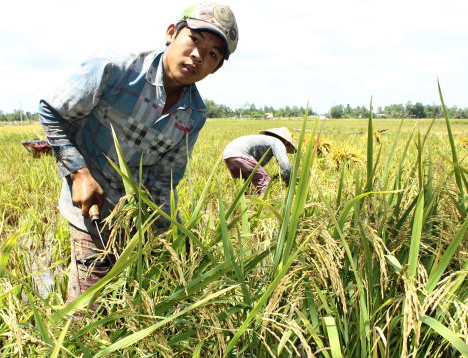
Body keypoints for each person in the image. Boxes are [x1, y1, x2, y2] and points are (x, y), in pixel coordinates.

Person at [38, 2, 239, 303]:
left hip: (131, 210)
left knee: (148, 289)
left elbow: (163, 181)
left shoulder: (193, 115)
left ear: (217, 67)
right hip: (88, 207)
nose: (198, 55)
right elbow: (52, 111)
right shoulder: (115, 69)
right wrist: (78, 172)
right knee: (86, 304)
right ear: (172, 33)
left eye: (212, 53)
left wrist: (170, 238)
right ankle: (72, 344)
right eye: (194, 40)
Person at [222, 127, 297, 196]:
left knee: (245, 183)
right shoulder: (277, 142)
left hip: (227, 155)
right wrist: (290, 180)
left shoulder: (264, 140)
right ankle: (262, 205)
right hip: (240, 154)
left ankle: (243, 201)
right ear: (286, 142)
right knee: (265, 182)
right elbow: (284, 164)